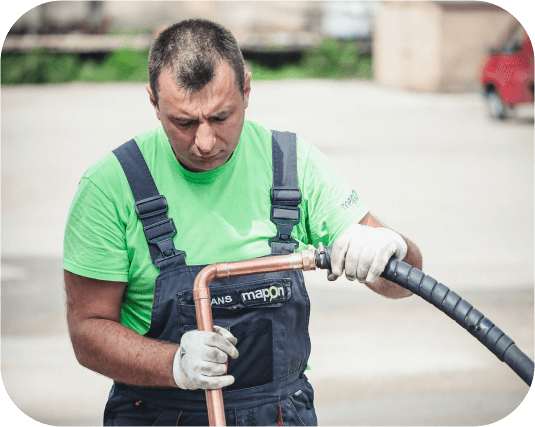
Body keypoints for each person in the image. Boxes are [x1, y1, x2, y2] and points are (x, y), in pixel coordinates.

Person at [63, 18, 422, 426]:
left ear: (247, 90)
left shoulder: (292, 165)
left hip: (280, 413)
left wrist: (390, 250)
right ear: (153, 102)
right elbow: (87, 331)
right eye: (183, 122)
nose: (205, 142)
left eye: (221, 117)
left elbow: (404, 281)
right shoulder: (111, 186)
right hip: (158, 413)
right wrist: (174, 364)